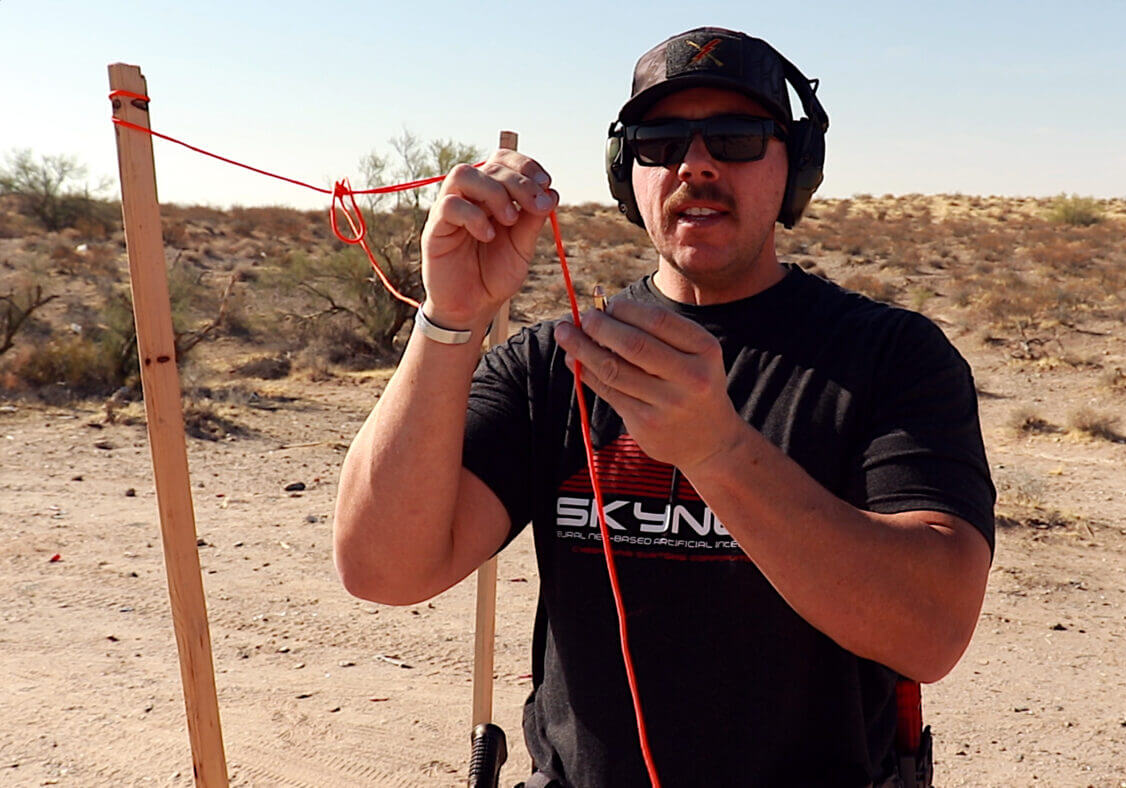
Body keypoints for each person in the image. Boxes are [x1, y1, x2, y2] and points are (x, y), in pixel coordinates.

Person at [333, 26, 995, 788]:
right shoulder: (555, 363)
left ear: (795, 169)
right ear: (627, 173)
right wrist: (450, 319)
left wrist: (718, 452)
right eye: (659, 141)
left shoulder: (891, 356)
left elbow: (932, 629)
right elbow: (382, 568)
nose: (697, 164)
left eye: (739, 138)